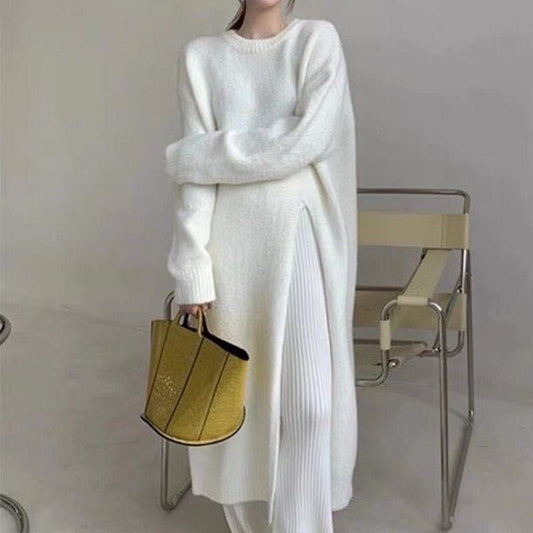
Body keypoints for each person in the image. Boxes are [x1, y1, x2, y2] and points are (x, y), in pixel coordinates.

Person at [165, 1, 359, 531]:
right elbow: (196, 187)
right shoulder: (201, 58)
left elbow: (308, 140)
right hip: (230, 253)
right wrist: (191, 264)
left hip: (301, 240)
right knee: (242, 408)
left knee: (311, 407)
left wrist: (200, 153)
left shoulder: (316, 42)